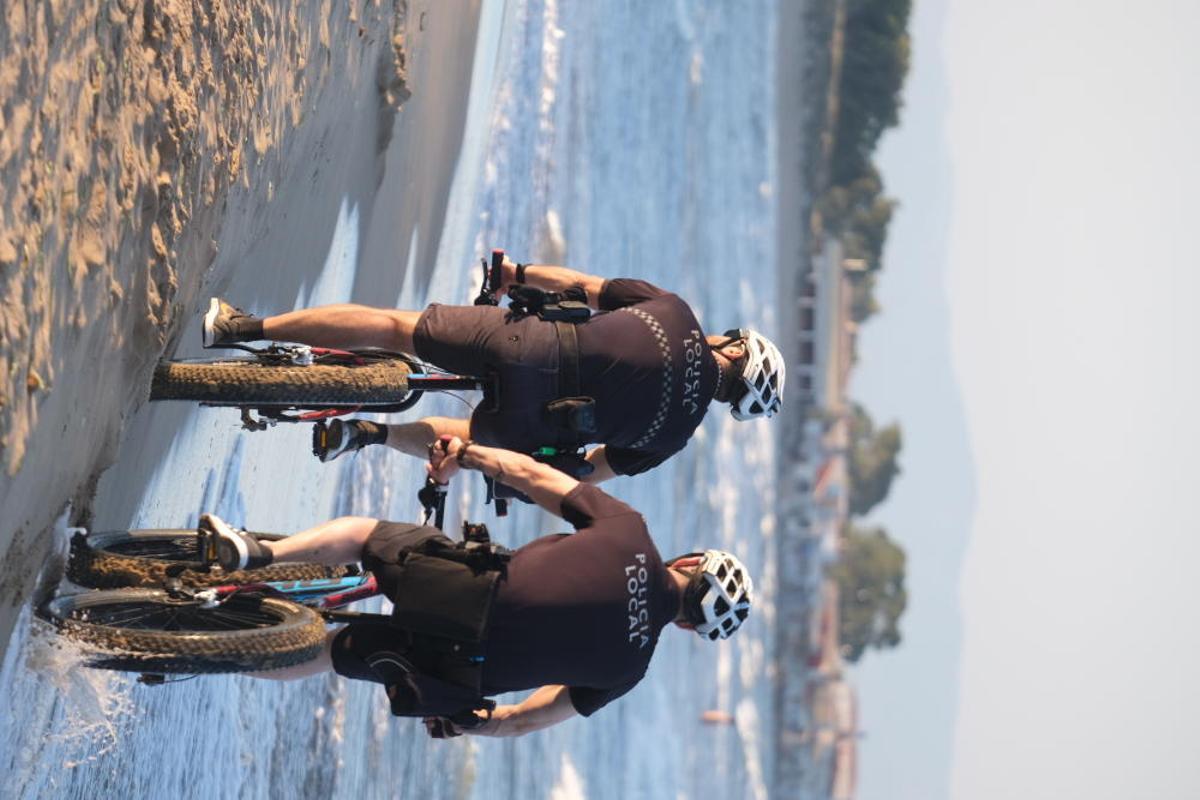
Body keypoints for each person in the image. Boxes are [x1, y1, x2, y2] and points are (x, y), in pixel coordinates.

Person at [207, 436, 754, 737]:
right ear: (687, 627)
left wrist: (465, 454)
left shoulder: (629, 530)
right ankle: (209, 655)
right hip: (455, 674)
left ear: (688, 560)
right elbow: (525, 721)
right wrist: (468, 723)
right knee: (327, 652)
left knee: (360, 535)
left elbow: (534, 476)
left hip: (463, 592)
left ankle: (262, 554)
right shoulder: (627, 671)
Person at [201, 256, 785, 482]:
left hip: (523, 346)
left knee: (391, 327)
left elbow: (584, 287)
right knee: (471, 441)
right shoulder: (672, 438)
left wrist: (517, 274)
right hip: (529, 423)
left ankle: (242, 328)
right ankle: (370, 434)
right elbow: (580, 478)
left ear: (732, 348)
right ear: (728, 402)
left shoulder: (674, 310)